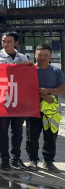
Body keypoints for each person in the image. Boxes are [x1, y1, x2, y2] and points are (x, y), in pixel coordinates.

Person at [0, 31, 33, 171]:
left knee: (18, 131)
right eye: (3, 41)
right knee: (3, 130)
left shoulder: (22, 57)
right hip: (3, 98)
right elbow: (3, 69)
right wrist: (22, 65)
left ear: (16, 43)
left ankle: (16, 158)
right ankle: (4, 158)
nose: (5, 44)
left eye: (9, 41)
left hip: (19, 98)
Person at [27, 44, 65, 173]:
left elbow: (62, 88)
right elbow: (25, 88)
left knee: (50, 136)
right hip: (33, 109)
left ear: (50, 56)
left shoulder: (56, 71)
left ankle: (48, 161)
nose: (42, 57)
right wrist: (43, 96)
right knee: (32, 136)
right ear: (35, 55)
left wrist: (48, 91)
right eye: (40, 55)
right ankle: (33, 160)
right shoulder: (29, 71)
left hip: (51, 110)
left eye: (45, 55)